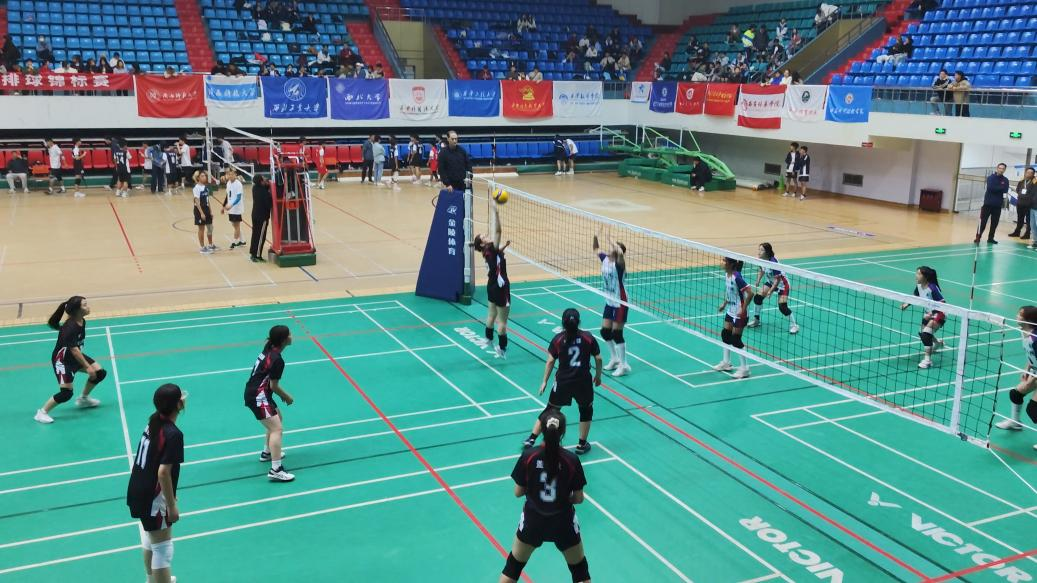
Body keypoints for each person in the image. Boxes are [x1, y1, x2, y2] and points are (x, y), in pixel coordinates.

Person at [503, 409, 591, 583]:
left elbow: (518, 492)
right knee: (580, 571)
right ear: (563, 432)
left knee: (513, 567)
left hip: (533, 520)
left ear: (542, 430)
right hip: (563, 522)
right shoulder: (571, 460)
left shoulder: (529, 456)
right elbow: (579, 498)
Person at [126, 383, 186, 583]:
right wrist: (171, 505)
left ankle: (152, 580)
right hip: (153, 497)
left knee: (151, 538)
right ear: (178, 404)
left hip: (137, 488)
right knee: (163, 549)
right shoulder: (173, 434)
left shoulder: (153, 422)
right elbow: (163, 472)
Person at [525, 308, 601, 454]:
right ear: (579, 322)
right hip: (583, 382)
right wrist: (598, 376)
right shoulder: (588, 337)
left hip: (563, 382)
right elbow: (598, 358)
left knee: (550, 410)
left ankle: (531, 438)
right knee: (585, 410)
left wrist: (544, 381)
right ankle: (582, 444)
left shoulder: (558, 339)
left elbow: (550, 361)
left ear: (563, 323)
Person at [34, 296, 105, 423]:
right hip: (62, 360)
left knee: (99, 373)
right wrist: (88, 367)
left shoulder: (81, 321)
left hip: (73, 356)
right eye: (84, 305)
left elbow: (76, 350)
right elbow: (74, 350)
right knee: (66, 393)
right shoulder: (70, 327)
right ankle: (42, 412)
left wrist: (89, 367)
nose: (88, 307)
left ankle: (83, 399)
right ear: (77, 310)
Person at [244, 325, 296, 482]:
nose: (292, 336)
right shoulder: (277, 360)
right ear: (284, 340)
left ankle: (267, 452)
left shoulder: (269, 349)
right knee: (276, 429)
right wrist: (287, 397)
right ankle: (276, 469)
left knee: (277, 417)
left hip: (257, 392)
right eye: (289, 334)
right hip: (258, 396)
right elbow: (274, 386)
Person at [994, 306, 1037, 445]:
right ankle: (1015, 422)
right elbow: (1032, 354)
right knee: (1015, 394)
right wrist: (1027, 368)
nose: (1017, 316)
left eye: (1020, 315)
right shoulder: (1024, 332)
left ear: (1028, 320)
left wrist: (1032, 381)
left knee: (1033, 410)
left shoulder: (1035, 338)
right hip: (1035, 371)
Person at [473, 204, 510, 359]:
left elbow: (496, 254)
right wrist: (496, 212)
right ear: (482, 243)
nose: (487, 235)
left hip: (491, 286)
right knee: (502, 322)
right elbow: (499, 231)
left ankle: (488, 339)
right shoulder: (491, 248)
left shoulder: (486, 252)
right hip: (501, 287)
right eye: (484, 236)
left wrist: (504, 246)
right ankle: (502, 348)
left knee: (491, 315)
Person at [593, 233, 629, 376]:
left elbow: (620, 252)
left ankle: (623, 364)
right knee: (605, 332)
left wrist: (611, 240)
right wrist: (596, 235)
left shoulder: (619, 265)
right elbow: (596, 249)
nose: (609, 248)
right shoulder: (605, 260)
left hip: (620, 302)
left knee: (617, 334)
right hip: (609, 301)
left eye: (612, 247)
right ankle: (614, 358)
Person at [899, 266, 946, 369]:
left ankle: (927, 360)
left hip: (939, 313)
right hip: (929, 314)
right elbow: (915, 297)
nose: (916, 275)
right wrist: (906, 304)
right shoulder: (919, 286)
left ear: (926, 276)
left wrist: (932, 313)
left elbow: (942, 303)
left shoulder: (932, 288)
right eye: (917, 273)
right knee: (922, 333)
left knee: (926, 334)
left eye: (919, 274)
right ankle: (937, 343)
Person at [714, 257, 753, 379]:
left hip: (740, 313)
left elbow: (751, 293)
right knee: (725, 334)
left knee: (736, 340)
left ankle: (745, 369)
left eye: (725, 261)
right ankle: (726, 363)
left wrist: (743, 309)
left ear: (731, 264)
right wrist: (724, 304)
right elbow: (730, 292)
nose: (723, 263)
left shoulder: (737, 277)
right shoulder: (727, 275)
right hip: (730, 310)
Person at [748, 243, 799, 334]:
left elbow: (778, 279)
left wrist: (770, 291)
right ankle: (756, 320)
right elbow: (762, 270)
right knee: (757, 298)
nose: (759, 252)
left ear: (767, 252)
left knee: (782, 307)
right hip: (771, 282)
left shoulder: (773, 262)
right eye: (759, 249)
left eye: (762, 250)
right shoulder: (761, 259)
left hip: (782, 285)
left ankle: (794, 325)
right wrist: (758, 280)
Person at [975, 163, 1009, 245]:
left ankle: (990, 238)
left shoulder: (1006, 180)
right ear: (997, 168)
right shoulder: (991, 178)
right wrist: (1001, 187)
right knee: (983, 222)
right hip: (988, 204)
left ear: (1005, 170)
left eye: (1003, 168)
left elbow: (1005, 190)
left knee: (994, 223)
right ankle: (978, 237)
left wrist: (998, 187)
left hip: (998, 205)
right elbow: (991, 188)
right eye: (1000, 168)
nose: (1001, 170)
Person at [221, 168, 247, 249]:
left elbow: (238, 198)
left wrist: (231, 205)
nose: (230, 176)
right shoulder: (228, 183)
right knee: (234, 225)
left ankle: (234, 242)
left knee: (236, 225)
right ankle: (242, 240)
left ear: (235, 175)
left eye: (232, 174)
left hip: (236, 208)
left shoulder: (238, 184)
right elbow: (227, 195)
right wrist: (223, 206)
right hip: (230, 208)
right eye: (229, 174)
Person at [250, 175, 272, 262]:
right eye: (263, 179)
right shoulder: (264, 192)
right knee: (261, 236)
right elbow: (269, 204)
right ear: (261, 181)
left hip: (254, 215)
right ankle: (257, 255)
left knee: (255, 235)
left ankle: (253, 253)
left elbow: (264, 188)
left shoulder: (254, 188)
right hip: (262, 217)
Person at [193, 170, 216, 254]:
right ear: (198, 178)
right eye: (202, 176)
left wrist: (210, 211)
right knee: (201, 229)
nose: (204, 177)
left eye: (205, 176)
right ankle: (202, 247)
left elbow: (207, 200)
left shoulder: (206, 187)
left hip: (206, 209)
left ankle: (210, 245)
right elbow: (196, 201)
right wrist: (201, 213)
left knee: (210, 227)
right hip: (199, 210)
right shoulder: (196, 188)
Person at [1008, 167, 1034, 241]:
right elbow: (1018, 190)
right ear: (1025, 173)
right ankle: (1017, 232)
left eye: (1031, 173)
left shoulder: (1034, 182)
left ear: (1033, 174)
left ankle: (1027, 234)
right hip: (1020, 203)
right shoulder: (1021, 181)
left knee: (1028, 220)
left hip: (1029, 205)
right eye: (1028, 172)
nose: (1029, 174)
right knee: (1020, 218)